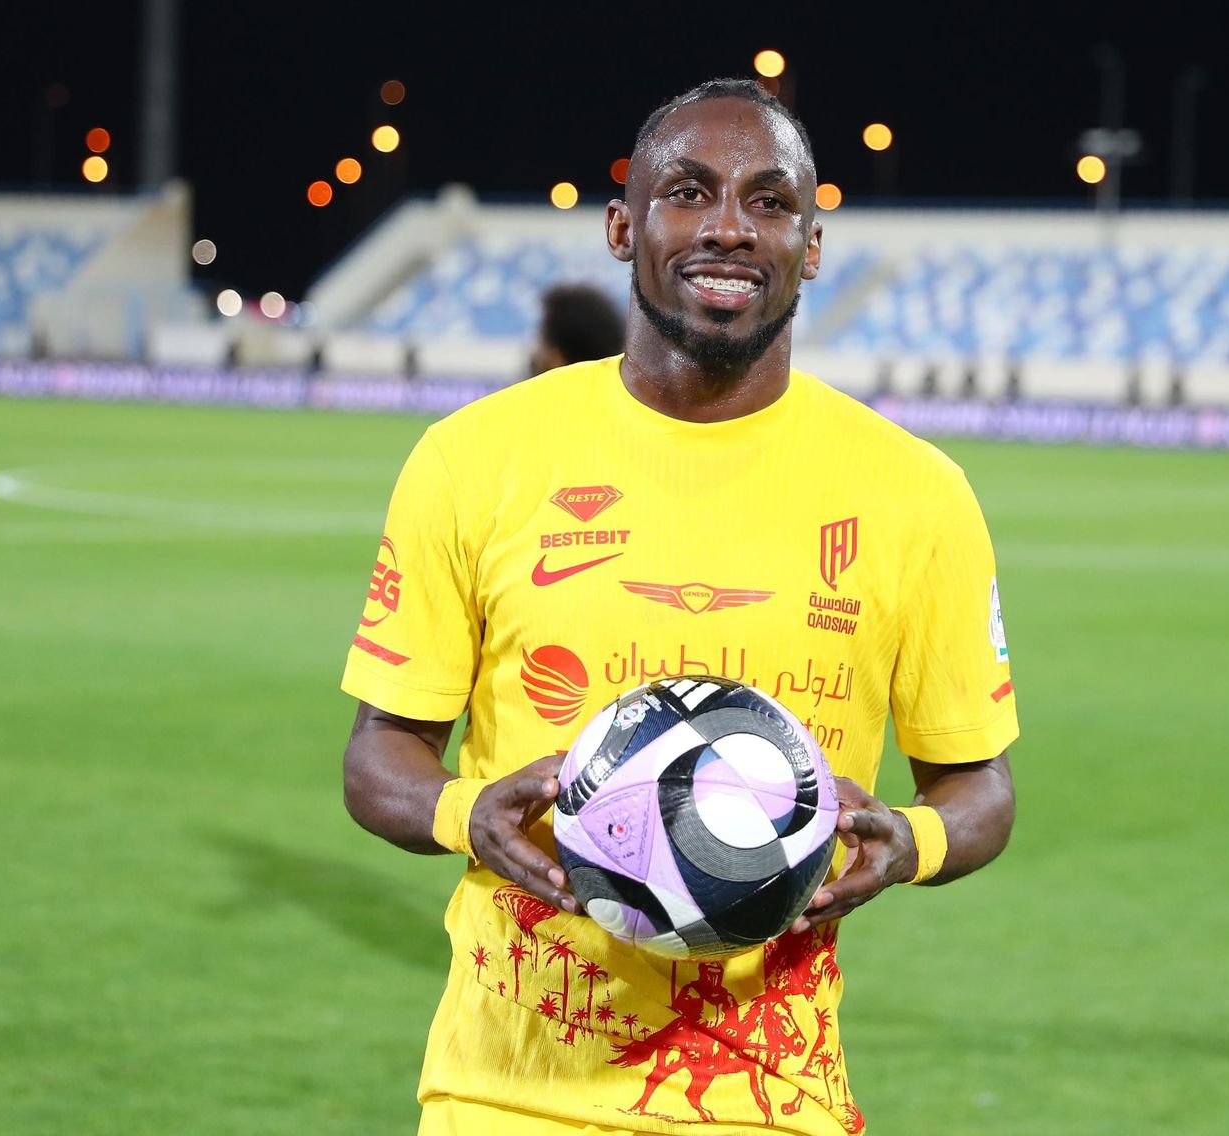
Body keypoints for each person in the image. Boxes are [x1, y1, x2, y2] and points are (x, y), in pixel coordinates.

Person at [341, 78, 1018, 1136]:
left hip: (767, 1099)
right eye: (687, 192)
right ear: (622, 225)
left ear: (811, 241)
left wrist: (916, 841)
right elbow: (378, 756)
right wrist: (462, 809)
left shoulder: (914, 493)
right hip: (506, 1092)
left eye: (769, 200)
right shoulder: (471, 460)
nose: (729, 228)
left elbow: (978, 783)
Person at [530, 282, 626, 376]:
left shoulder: (524, 389)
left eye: (542, 342)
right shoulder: (620, 387)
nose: (535, 352)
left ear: (555, 361)